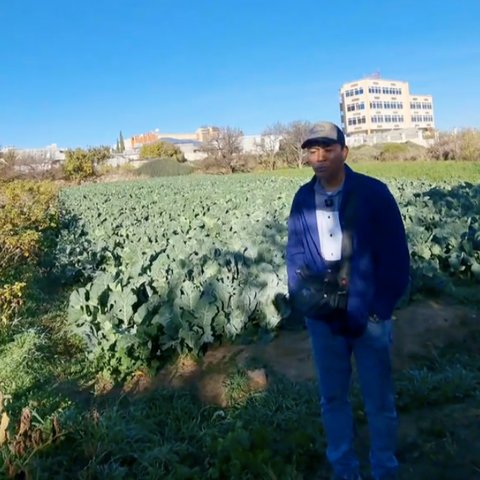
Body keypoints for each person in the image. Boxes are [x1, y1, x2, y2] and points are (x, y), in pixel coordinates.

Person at [286, 122, 410, 480]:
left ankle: (385, 468)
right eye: (312, 150)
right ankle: (345, 470)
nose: (319, 157)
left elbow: (396, 256)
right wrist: (306, 300)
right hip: (324, 318)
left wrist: (380, 307)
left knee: (379, 401)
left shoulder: (373, 194)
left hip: (369, 314)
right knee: (333, 399)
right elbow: (295, 253)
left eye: (327, 148)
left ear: (344, 151)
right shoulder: (302, 198)